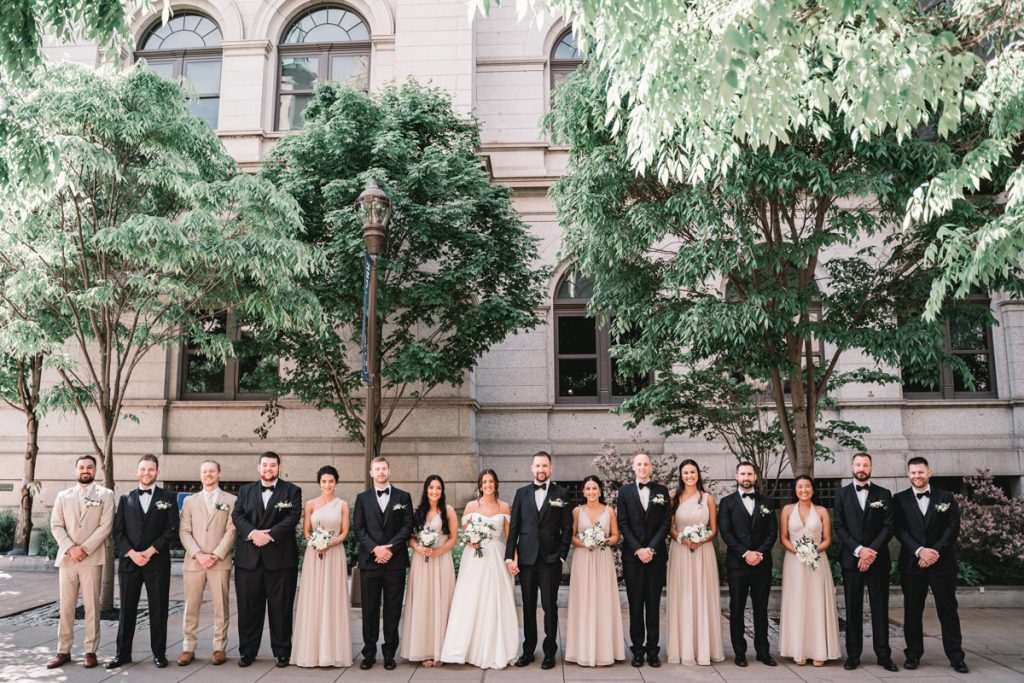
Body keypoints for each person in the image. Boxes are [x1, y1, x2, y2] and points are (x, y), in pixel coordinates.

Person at [894, 457, 967, 674]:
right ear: (908, 474)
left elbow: (953, 527)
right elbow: (899, 530)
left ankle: (956, 656)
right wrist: (919, 551)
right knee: (912, 611)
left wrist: (934, 551)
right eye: (913, 472)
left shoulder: (946, 497)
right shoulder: (899, 499)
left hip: (942, 563)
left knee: (948, 611)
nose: (917, 476)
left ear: (929, 473)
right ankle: (913, 654)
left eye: (920, 472)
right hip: (912, 564)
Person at [107, 453, 180, 669]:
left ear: (157, 472)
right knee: (127, 610)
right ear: (137, 472)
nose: (146, 473)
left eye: (150, 469)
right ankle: (122, 654)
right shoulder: (125, 498)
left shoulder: (168, 498)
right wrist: (131, 553)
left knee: (159, 609)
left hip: (157, 562)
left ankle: (159, 654)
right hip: (130, 563)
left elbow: (172, 529)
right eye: (143, 469)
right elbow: (117, 530)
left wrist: (149, 551)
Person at [441, 469, 519, 669]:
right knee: (471, 598)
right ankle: (465, 649)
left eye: (491, 481)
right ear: (480, 484)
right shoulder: (470, 506)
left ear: (496, 484)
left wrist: (513, 560)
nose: (488, 485)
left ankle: (495, 648)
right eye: (484, 482)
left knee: (496, 599)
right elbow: (465, 533)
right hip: (474, 558)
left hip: (497, 556)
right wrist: (471, 541)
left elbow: (510, 538)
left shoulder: (504, 506)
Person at [231, 451, 302, 668]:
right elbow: (237, 516)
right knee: (248, 608)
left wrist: (270, 535)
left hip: (280, 559)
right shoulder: (245, 491)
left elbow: (293, 516)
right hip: (248, 559)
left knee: (281, 608)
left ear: (279, 467)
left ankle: (282, 651)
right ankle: (247, 652)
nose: (268, 469)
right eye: (264, 465)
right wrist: (254, 534)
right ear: (258, 468)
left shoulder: (292, 490)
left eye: (272, 465)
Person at [505, 451, 574, 669]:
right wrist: (509, 556)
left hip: (550, 559)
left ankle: (549, 652)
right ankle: (528, 650)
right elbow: (514, 527)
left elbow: (567, 528)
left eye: (544, 466)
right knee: (527, 606)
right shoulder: (521, 493)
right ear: (531, 468)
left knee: (549, 606)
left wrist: (562, 555)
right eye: (537, 466)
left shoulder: (561, 493)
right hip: (526, 559)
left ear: (550, 468)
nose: (541, 470)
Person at [47, 455, 114, 670]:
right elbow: (56, 525)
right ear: (76, 470)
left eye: (89, 467)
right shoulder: (63, 496)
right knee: (66, 607)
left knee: (92, 607)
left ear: (95, 470)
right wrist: (71, 548)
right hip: (67, 558)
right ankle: (63, 650)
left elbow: (106, 526)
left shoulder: (106, 495)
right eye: (82, 467)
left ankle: (90, 650)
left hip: (91, 559)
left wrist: (84, 549)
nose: (85, 470)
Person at [833, 452, 898, 671]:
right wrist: (859, 551)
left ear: (871, 467)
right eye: (858, 464)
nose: (862, 468)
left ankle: (883, 655)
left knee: (880, 608)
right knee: (852, 608)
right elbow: (839, 526)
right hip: (852, 561)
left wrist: (871, 552)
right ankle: (853, 655)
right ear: (852, 467)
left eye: (866, 465)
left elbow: (889, 526)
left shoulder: (884, 493)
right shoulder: (841, 494)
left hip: (878, 560)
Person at [352, 456, 413, 670]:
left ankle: (389, 653)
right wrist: (375, 549)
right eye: (376, 469)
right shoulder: (362, 498)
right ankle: (369, 653)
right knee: (369, 610)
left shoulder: (403, 497)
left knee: (393, 609)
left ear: (389, 470)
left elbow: (407, 527)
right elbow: (358, 528)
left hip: (395, 563)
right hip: (370, 562)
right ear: (371, 472)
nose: (380, 472)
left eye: (384, 468)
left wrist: (389, 549)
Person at [717, 461, 778, 668]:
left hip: (761, 563)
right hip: (738, 564)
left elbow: (772, 532)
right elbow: (726, 532)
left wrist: (759, 553)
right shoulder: (726, 502)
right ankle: (740, 653)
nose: (746, 477)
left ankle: (763, 651)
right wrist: (745, 553)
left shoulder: (767, 503)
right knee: (737, 609)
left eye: (749, 474)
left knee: (761, 608)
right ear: (736, 476)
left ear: (755, 476)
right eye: (742, 473)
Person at [178, 459, 237, 667]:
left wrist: (216, 554)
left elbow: (232, 530)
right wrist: (198, 554)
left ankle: (219, 647)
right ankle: (188, 647)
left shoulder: (231, 500)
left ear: (219, 474)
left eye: (212, 471)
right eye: (204, 471)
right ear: (200, 474)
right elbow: (184, 531)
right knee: (190, 606)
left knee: (221, 606)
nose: (208, 474)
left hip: (219, 562)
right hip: (194, 562)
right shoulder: (189, 501)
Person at [615, 450, 672, 667]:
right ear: (633, 467)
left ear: (651, 467)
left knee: (654, 604)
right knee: (636, 604)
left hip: (656, 557)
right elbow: (623, 523)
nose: (642, 468)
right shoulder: (624, 491)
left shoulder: (662, 491)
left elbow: (666, 523)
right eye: (638, 464)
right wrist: (639, 549)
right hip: (633, 558)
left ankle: (653, 650)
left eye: (645, 464)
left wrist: (651, 548)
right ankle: (637, 650)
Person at [292, 465, 352, 667]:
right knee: (314, 598)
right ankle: (311, 651)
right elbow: (307, 531)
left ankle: (333, 651)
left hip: (334, 554)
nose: (327, 485)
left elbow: (344, 532)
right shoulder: (310, 504)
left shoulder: (342, 504)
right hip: (314, 554)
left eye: (331, 481)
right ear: (319, 482)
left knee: (332, 598)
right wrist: (315, 543)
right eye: (324, 481)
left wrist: (331, 543)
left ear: (336, 482)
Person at [666, 459, 724, 666]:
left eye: (693, 472)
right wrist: (683, 539)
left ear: (698, 474)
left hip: (703, 551)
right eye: (685, 472)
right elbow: (670, 526)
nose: (689, 476)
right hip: (681, 551)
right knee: (683, 595)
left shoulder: (707, 498)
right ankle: (683, 648)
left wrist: (701, 540)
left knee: (702, 595)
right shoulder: (674, 498)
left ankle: (704, 647)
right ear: (680, 475)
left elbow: (714, 529)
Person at [779, 475, 841, 666]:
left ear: (813, 490)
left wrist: (813, 551)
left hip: (817, 560)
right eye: (800, 486)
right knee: (797, 602)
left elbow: (827, 539)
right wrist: (798, 551)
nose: (804, 490)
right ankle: (798, 649)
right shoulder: (787, 510)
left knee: (816, 602)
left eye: (807, 486)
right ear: (795, 490)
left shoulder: (822, 511)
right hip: (794, 561)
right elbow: (783, 537)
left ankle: (819, 650)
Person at [564, 475, 624, 667]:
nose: (591, 492)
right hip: (582, 559)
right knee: (583, 601)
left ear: (600, 490)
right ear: (583, 491)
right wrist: (584, 543)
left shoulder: (609, 511)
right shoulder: (576, 511)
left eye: (594, 488)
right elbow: (571, 537)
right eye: (588, 488)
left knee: (603, 600)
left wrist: (601, 541)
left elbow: (616, 536)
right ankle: (581, 650)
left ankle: (605, 651)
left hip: (602, 558)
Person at [401, 475, 458, 668]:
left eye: (438, 488)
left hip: (441, 560)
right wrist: (418, 548)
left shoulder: (448, 511)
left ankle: (441, 650)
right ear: (426, 490)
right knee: (423, 603)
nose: (435, 491)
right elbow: (409, 537)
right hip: (421, 561)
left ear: (442, 491)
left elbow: (453, 538)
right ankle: (424, 650)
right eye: (431, 488)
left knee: (442, 602)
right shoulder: (418, 512)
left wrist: (439, 551)